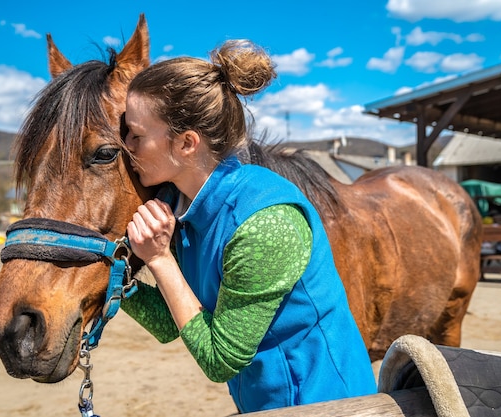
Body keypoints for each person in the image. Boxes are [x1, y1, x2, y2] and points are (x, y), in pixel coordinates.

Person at [120, 39, 377, 413]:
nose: (126, 146)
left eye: (136, 135)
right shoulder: (184, 210)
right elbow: (167, 321)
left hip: (323, 403)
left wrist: (159, 259)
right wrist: (109, 271)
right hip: (264, 404)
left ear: (187, 144)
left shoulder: (264, 221)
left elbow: (220, 359)